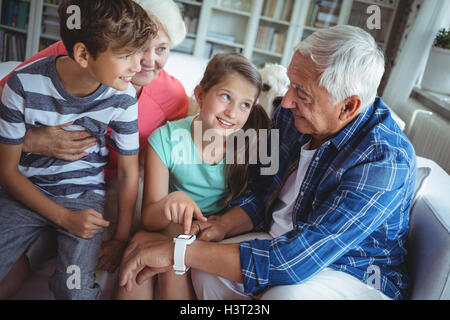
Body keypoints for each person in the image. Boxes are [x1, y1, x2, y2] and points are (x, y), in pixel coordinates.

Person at [119, 25, 417, 300]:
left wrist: (176, 251)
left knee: (282, 298)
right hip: (279, 240)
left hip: (348, 272)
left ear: (348, 106)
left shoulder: (384, 160)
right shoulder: (294, 116)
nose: (285, 101)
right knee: (205, 270)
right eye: (290, 85)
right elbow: (262, 191)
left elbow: (295, 260)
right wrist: (222, 225)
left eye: (301, 93)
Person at [0, 0, 188, 299]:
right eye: (133, 52)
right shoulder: (34, 77)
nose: (143, 63)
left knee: (73, 286)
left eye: (161, 49)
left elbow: (133, 173)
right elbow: (7, 166)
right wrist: (33, 142)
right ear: (84, 54)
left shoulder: (133, 95)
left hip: (86, 193)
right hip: (28, 186)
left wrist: (121, 237)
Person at [116, 53, 271, 300]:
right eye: (225, 97)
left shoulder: (252, 145)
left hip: (218, 234)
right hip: (174, 228)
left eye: (245, 104)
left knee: (169, 266)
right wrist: (170, 201)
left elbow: (257, 207)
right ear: (199, 95)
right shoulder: (165, 139)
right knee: (140, 246)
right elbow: (149, 220)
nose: (232, 112)